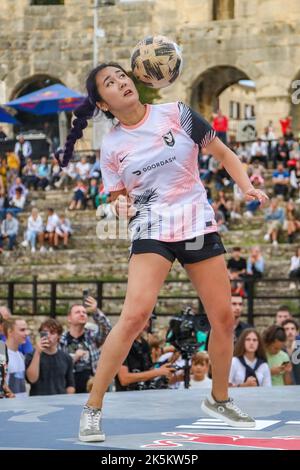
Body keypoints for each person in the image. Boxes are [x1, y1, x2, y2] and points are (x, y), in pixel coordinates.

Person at [57, 62, 268, 441]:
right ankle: (92, 407)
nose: (121, 82)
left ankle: (219, 399)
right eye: (110, 82)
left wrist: (245, 187)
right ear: (103, 104)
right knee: (135, 316)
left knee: (223, 319)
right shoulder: (112, 146)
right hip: (153, 229)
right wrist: (120, 207)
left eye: (121, 75)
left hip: (196, 224)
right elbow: (118, 198)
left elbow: (224, 154)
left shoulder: (177, 113)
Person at [59, 296, 111, 393]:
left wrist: (95, 311)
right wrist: (73, 359)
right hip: (69, 389)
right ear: (69, 318)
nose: (82, 314)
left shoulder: (92, 337)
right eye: (77, 312)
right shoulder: (62, 340)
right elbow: (58, 367)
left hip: (91, 388)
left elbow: (107, 328)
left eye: (84, 312)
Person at [25, 318, 75, 396]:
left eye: (52, 333)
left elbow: (70, 385)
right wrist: (37, 352)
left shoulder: (66, 357)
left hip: (60, 402)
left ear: (59, 336)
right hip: (37, 403)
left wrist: (67, 399)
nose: (48, 336)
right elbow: (32, 379)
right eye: (44, 333)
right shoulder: (31, 355)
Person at [4, 317, 28, 396]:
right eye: (22, 330)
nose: (26, 333)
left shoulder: (20, 355)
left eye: (26, 329)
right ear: (10, 332)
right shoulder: (2, 355)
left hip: (22, 406)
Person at [282, 318, 300, 385]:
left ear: (297, 332)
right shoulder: (279, 349)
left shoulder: (299, 346)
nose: (290, 331)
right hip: (283, 387)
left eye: (293, 329)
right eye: (286, 329)